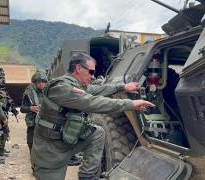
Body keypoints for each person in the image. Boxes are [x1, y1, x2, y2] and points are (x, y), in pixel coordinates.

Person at [31, 52, 155, 180]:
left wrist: (123, 86)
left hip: (67, 140)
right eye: (91, 72)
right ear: (78, 68)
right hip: (50, 152)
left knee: (97, 133)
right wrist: (131, 103)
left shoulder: (76, 85)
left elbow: (99, 90)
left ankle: (87, 176)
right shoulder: (61, 87)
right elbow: (92, 102)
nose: (93, 76)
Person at [20, 71, 48, 154]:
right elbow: (22, 109)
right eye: (39, 82)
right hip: (33, 120)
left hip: (45, 121)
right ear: (35, 83)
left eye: (43, 82)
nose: (41, 84)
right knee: (31, 140)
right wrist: (30, 108)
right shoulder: (29, 93)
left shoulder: (48, 91)